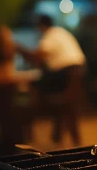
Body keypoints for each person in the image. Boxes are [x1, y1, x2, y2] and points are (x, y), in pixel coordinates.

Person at [20, 15, 86, 144]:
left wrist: (20, 50)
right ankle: (55, 133)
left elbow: (38, 57)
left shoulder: (50, 35)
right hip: (77, 73)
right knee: (44, 86)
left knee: (34, 87)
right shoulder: (61, 32)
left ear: (41, 26)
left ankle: (30, 122)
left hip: (66, 74)